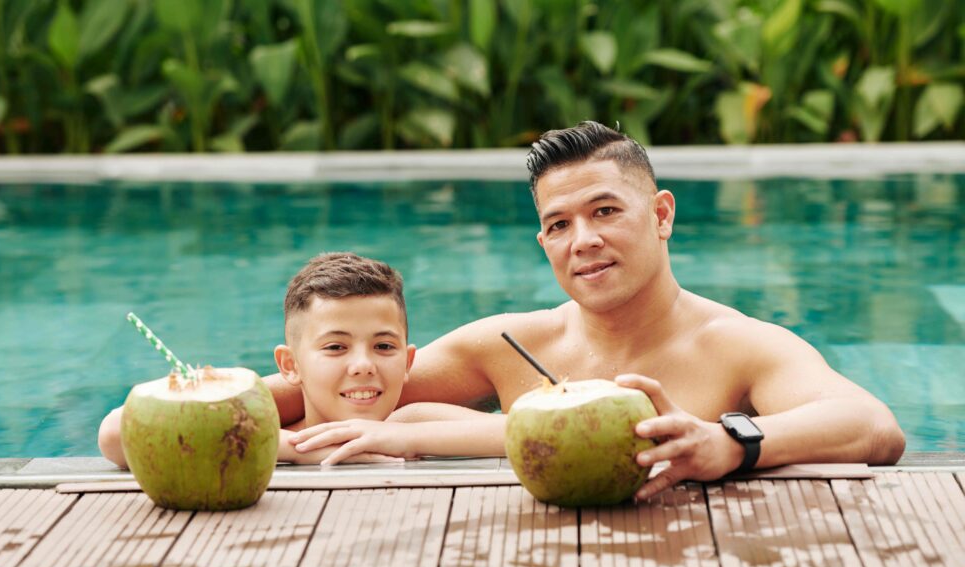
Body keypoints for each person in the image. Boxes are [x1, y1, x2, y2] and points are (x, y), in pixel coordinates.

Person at [277, 122, 905, 500]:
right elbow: (344, 389)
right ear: (543, 241)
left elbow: (872, 426)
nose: (583, 241)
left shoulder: (738, 347)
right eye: (559, 224)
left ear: (660, 215)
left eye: (605, 211)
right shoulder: (504, 345)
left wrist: (728, 443)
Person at [98, 252, 504, 468]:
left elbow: (518, 431)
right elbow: (115, 433)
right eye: (335, 347)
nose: (363, 364)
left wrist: (407, 440)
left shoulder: (408, 423)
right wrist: (291, 447)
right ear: (289, 365)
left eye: (383, 346)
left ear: (408, 360)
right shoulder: (269, 432)